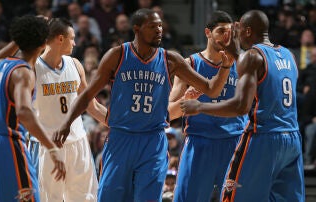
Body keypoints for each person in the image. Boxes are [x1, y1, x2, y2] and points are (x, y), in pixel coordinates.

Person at [53, 8, 233, 201]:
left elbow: (211, 89)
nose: (159, 30)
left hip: (153, 141)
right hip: (121, 139)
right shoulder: (117, 55)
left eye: (160, 26)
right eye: (153, 26)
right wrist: (67, 122)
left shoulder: (171, 59)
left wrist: (225, 67)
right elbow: (88, 94)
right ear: (137, 29)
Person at [181, 10, 304, 201]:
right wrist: (235, 53)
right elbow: (261, 68)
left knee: (233, 196)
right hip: (292, 138)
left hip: (263, 137)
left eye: (237, 32)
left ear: (247, 31)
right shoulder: (289, 56)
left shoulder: (252, 56)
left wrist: (200, 107)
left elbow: (240, 106)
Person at [0, 15, 66, 202]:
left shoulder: (2, 65)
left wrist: (16, 42)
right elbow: (24, 111)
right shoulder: (23, 72)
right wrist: (52, 148)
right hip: (6, 145)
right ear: (44, 43)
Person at [168, 11, 248, 202]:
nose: (226, 36)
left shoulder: (243, 63)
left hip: (234, 142)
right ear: (207, 33)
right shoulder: (190, 64)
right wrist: (185, 100)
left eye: (230, 32)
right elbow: (169, 113)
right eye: (221, 31)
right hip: (200, 142)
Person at [33, 17, 107, 202]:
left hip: (77, 141)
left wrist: (119, 123)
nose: (74, 43)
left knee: (87, 199)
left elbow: (91, 104)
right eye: (71, 38)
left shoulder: (75, 65)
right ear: (60, 38)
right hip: (48, 146)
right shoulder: (33, 69)